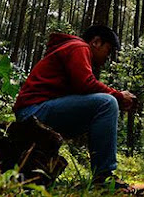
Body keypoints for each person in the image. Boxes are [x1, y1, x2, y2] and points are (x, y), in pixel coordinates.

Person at [13, 25, 137, 191]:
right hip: (34, 111)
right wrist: (119, 96)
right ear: (96, 42)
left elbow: (79, 92)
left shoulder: (72, 49)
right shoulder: (79, 47)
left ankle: (97, 175)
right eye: (108, 49)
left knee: (103, 108)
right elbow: (85, 84)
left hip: (34, 111)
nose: (108, 57)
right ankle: (104, 176)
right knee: (107, 103)